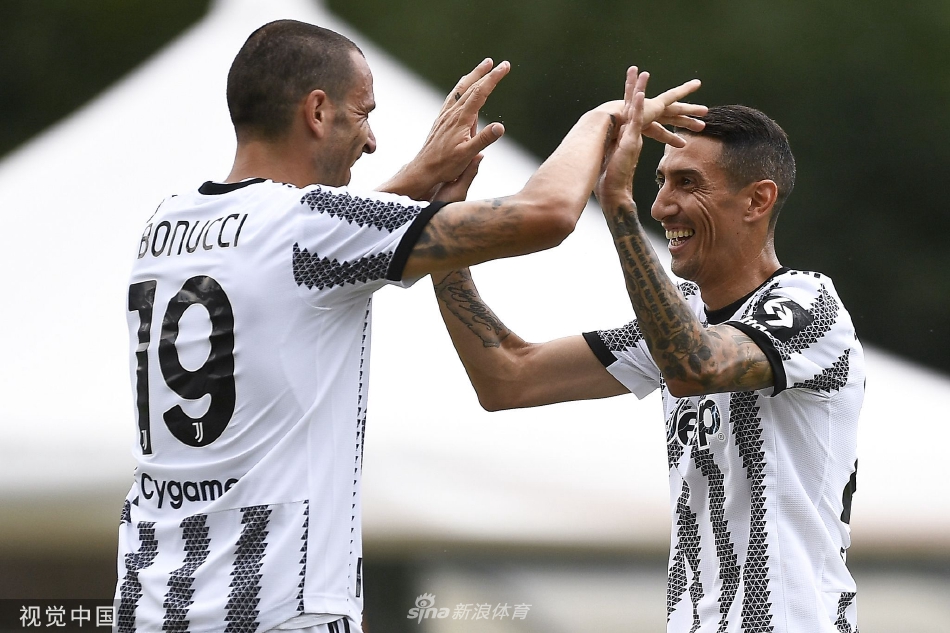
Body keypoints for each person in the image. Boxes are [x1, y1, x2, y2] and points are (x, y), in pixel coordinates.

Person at [115, 20, 705, 633]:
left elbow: (293, 257)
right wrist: (602, 120)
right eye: (363, 113)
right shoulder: (308, 229)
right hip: (275, 608)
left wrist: (418, 182)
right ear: (316, 111)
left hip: (152, 602)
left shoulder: (166, 224)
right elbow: (548, 214)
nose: (371, 141)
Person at [432, 72, 864, 633]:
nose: (660, 206)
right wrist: (442, 231)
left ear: (757, 200)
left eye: (687, 183)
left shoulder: (809, 304)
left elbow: (694, 367)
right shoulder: (681, 318)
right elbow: (508, 378)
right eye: (658, 181)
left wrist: (618, 209)